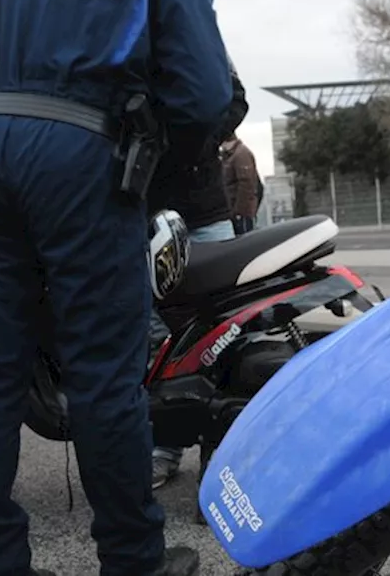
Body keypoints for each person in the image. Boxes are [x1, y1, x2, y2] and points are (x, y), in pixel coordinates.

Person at [0, 0, 230, 576]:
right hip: (82, 157)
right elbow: (206, 98)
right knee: (104, 378)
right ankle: (133, 562)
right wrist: (152, 174)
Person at [148, 52, 247, 490]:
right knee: (160, 340)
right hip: (142, 209)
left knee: (222, 333)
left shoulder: (199, 37)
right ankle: (164, 447)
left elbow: (236, 99)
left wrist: (194, 138)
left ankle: (220, 453)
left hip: (203, 210)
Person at [221, 133, 262, 234]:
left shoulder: (241, 154)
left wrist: (238, 212)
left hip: (241, 215)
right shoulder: (231, 155)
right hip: (236, 213)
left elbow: (246, 184)